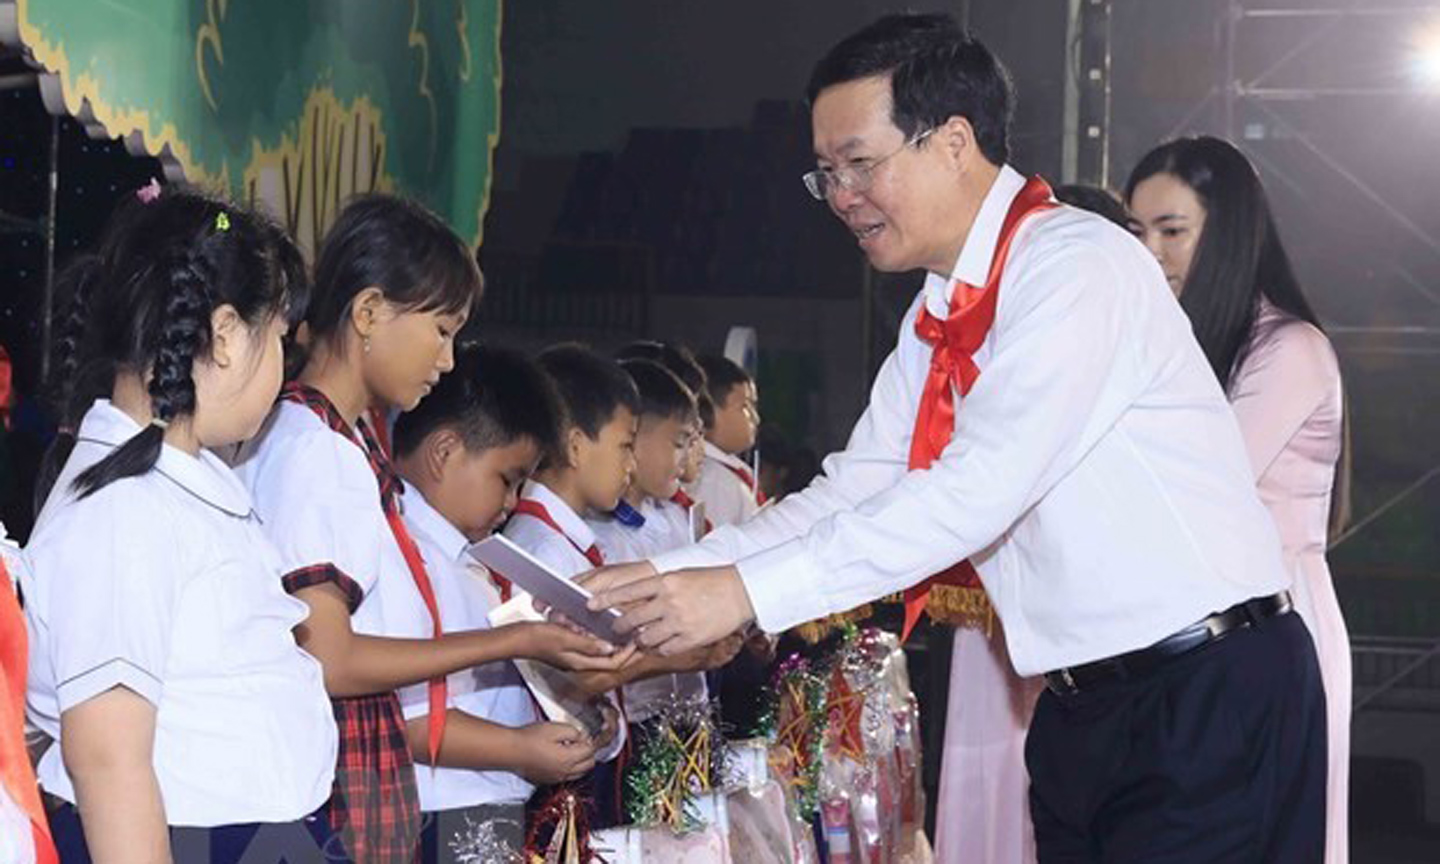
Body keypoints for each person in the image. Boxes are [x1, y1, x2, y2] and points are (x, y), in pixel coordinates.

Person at [586, 14, 1326, 862]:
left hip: (1204, 690)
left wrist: (744, 594)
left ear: (952, 142)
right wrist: (651, 585)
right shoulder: (939, 313)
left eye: (861, 164)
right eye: (824, 173)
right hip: (1085, 705)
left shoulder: (1076, 267)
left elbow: (973, 490)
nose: (841, 196)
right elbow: (856, 488)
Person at [234, 196, 624, 862]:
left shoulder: (339, 441)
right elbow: (331, 657)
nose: (446, 359)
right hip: (324, 803)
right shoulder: (317, 450)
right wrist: (519, 638)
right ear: (369, 313)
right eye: (441, 330)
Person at [23, 190, 337, 862]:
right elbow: (110, 763)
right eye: (280, 338)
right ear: (225, 336)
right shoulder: (123, 511)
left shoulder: (175, 485)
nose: (286, 365)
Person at [1128, 135, 1350, 864]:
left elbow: (1190, 490)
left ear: (1226, 235)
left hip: (1274, 621)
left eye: (1172, 231)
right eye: (1137, 231)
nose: (1150, 252)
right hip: (1189, 630)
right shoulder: (1182, 347)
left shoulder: (1288, 350)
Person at [389, 343, 604, 862]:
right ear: (444, 453)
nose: (511, 502)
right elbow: (407, 717)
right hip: (442, 815)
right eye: (506, 480)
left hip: (486, 807)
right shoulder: (401, 550)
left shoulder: (464, 557)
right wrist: (521, 749)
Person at [501, 344, 639, 827]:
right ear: (577, 446)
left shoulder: (568, 543)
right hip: (555, 791)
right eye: (625, 445)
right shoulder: (539, 550)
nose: (632, 466)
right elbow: (550, 684)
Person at [688, 355, 762, 527]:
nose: (755, 418)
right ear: (708, 410)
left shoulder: (728, 473)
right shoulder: (713, 481)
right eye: (744, 406)